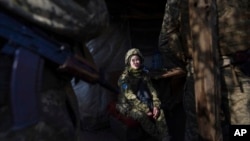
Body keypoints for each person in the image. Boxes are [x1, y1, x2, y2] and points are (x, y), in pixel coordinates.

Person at [116, 48, 171, 141]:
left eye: (137, 59)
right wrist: (146, 109)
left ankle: (165, 137)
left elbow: (152, 90)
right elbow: (130, 97)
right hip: (127, 104)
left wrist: (156, 105)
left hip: (142, 101)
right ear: (129, 62)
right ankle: (158, 136)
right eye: (133, 60)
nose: (136, 62)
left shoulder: (143, 74)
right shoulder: (124, 78)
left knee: (159, 112)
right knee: (141, 116)